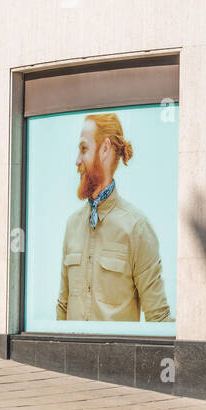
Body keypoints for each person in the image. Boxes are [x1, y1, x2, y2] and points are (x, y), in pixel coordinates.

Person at [56, 112, 171, 323]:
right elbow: (63, 306)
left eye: (84, 149)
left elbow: (158, 317)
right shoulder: (72, 224)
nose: (77, 161)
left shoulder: (137, 227)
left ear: (105, 149)